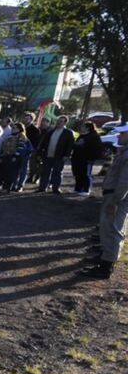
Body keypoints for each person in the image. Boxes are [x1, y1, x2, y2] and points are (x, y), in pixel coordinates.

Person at [80, 125, 128, 279]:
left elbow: (124, 182)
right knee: (107, 229)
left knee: (113, 230)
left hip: (117, 198)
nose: (119, 136)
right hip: (114, 196)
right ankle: (105, 258)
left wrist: (114, 201)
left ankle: (106, 267)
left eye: (122, 133)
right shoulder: (125, 152)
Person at [36, 115, 75, 194]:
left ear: (65, 123)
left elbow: (70, 145)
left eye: (61, 121)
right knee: (45, 172)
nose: (58, 123)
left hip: (59, 156)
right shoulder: (51, 131)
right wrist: (40, 153)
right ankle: (42, 187)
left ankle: (55, 188)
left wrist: (67, 155)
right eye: (58, 121)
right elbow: (44, 143)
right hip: (48, 155)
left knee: (57, 173)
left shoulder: (68, 133)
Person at [70, 121, 104, 195]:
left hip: (87, 159)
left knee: (86, 174)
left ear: (87, 128)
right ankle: (78, 188)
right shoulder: (81, 136)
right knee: (78, 174)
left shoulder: (94, 136)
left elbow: (96, 148)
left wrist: (91, 157)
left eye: (83, 127)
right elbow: (76, 145)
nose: (81, 128)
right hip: (77, 158)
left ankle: (86, 190)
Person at [0, 123, 32, 191]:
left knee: (15, 172)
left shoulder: (22, 136)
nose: (13, 129)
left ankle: (14, 186)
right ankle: (6, 186)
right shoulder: (9, 136)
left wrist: (16, 155)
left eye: (15, 128)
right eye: (12, 127)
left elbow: (21, 147)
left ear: (19, 129)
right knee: (8, 172)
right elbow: (4, 146)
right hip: (8, 156)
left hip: (17, 157)